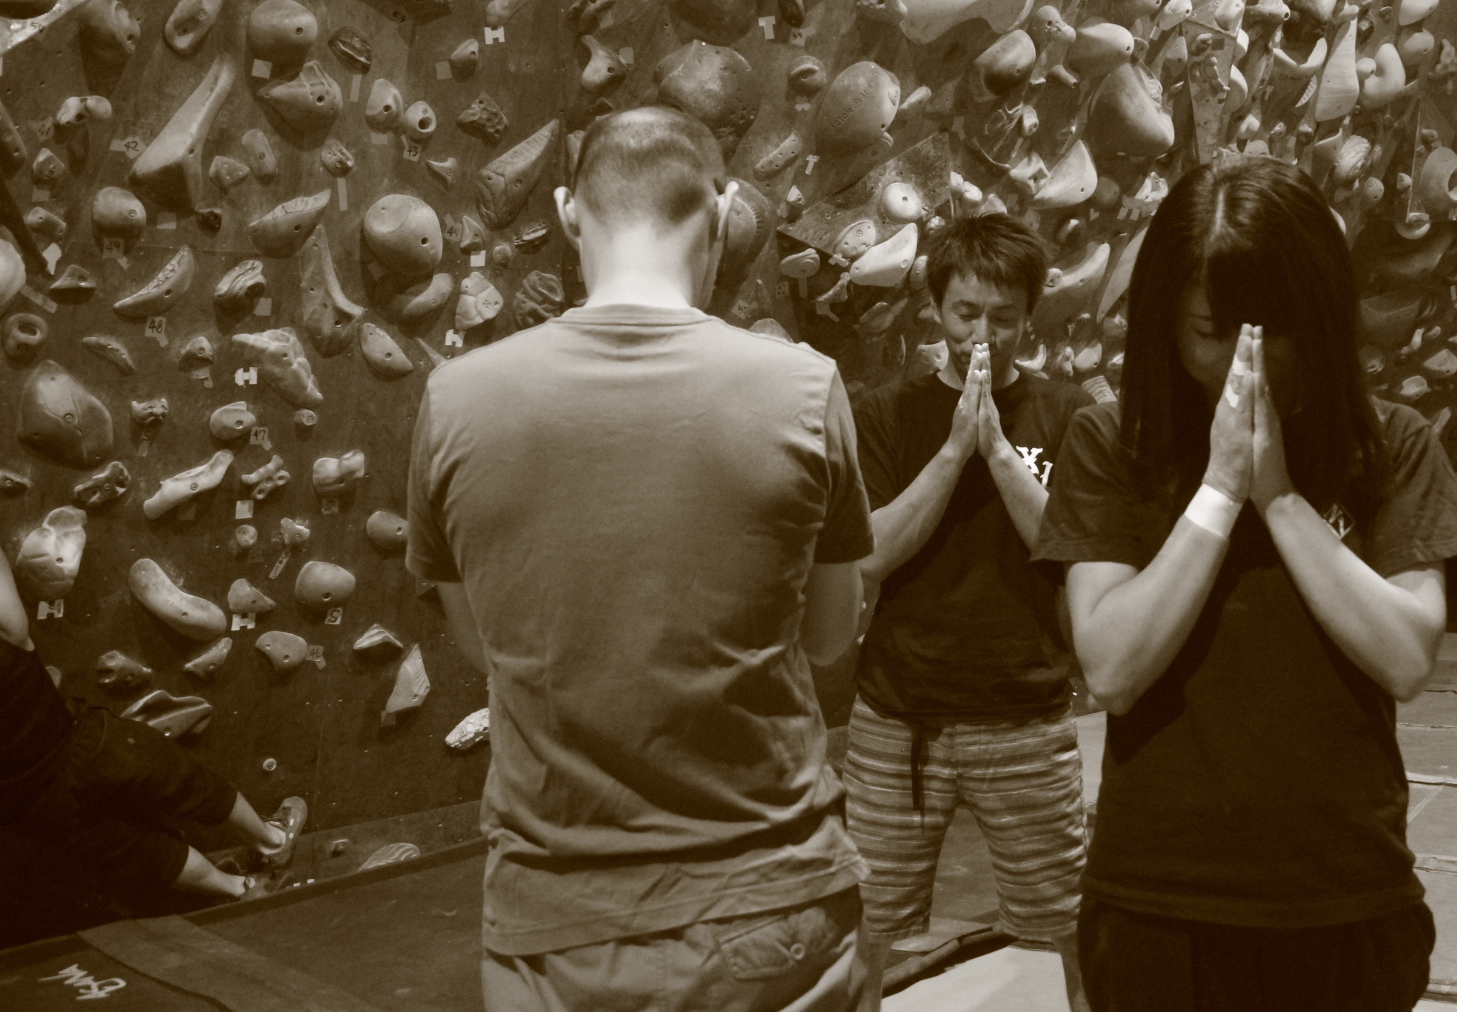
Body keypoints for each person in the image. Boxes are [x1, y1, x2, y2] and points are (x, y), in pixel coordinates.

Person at [408, 106, 874, 1012]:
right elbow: (829, 638)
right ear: (725, 212)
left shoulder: (455, 399)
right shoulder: (804, 387)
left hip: (554, 927)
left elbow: (482, 642)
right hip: (770, 906)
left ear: (567, 212)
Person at [1031, 158, 1457, 1012]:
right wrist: (1219, 487)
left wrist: (1277, 495)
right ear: (1166, 321)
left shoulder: (1389, 445)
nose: (1246, 359)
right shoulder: (1113, 444)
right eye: (1209, 331)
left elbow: (1405, 657)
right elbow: (1113, 668)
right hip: (1159, 899)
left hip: (1346, 893)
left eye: (1277, 329)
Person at [844, 214, 1094, 1012]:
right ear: (936, 308)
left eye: (1003, 316)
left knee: (1071, 921)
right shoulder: (886, 412)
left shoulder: (1067, 412)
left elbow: (1072, 545)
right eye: (966, 312)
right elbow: (872, 554)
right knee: (867, 926)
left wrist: (999, 453)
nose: (983, 333)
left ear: (1029, 316)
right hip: (898, 717)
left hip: (1027, 713)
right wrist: (955, 450)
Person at [0, 553, 303, 906]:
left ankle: (239, 889)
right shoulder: (7, 639)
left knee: (142, 850)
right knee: (188, 783)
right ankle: (271, 840)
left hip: (30, 801)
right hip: (85, 745)